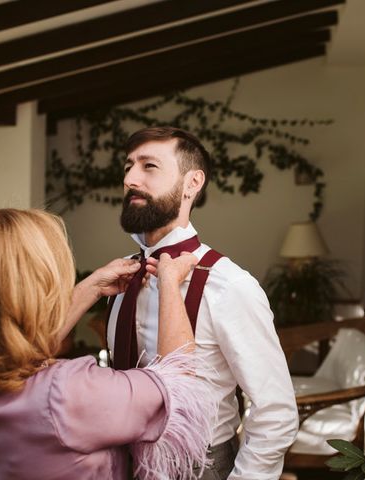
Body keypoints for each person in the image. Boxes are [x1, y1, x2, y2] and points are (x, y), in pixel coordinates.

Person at [0, 208, 217, 480]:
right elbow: (179, 389)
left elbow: (16, 345)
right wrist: (170, 284)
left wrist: (91, 287)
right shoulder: (65, 393)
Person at [106, 127, 299, 479]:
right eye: (128, 167)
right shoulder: (119, 278)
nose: (131, 179)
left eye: (149, 167)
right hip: (119, 461)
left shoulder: (231, 285)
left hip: (200, 467)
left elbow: (275, 410)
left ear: (192, 183)